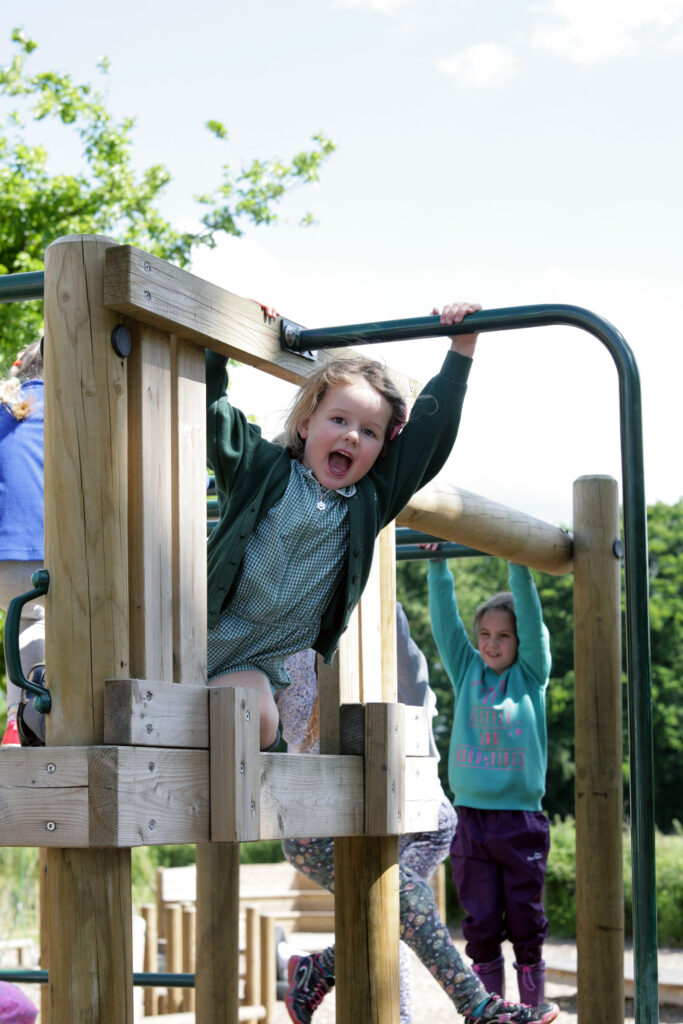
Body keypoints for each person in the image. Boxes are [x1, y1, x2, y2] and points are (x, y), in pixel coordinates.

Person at [205, 300, 481, 750]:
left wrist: (461, 349)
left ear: (380, 450)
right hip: (195, 640)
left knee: (251, 713)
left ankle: (277, 774)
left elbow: (426, 444)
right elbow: (215, 419)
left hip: (252, 664)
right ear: (306, 422)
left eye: (370, 432)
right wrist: (221, 346)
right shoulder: (264, 470)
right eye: (339, 420)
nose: (353, 436)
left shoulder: (367, 503)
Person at [274, 604, 559, 1024]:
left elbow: (415, 685)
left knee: (400, 899)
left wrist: (418, 765)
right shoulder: (295, 630)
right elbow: (302, 730)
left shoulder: (376, 607)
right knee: (401, 904)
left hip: (386, 796)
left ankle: (323, 969)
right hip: (318, 816)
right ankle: (475, 1005)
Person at [427, 553, 552, 1008]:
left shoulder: (530, 676)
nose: (492, 644)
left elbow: (534, 623)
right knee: (479, 921)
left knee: (524, 917)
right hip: (472, 819)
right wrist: (439, 568)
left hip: (520, 819)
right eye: (485, 635)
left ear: (521, 642)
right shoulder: (468, 672)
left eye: (503, 636)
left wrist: (519, 566)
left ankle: (533, 1006)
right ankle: (492, 1011)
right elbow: (445, 625)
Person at [0, 340, 45, 747]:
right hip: (42, 556)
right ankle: (36, 711)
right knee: (45, 613)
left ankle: (17, 718)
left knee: (27, 617)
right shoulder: (70, 405)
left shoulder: (7, 405)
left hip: (1, 561)